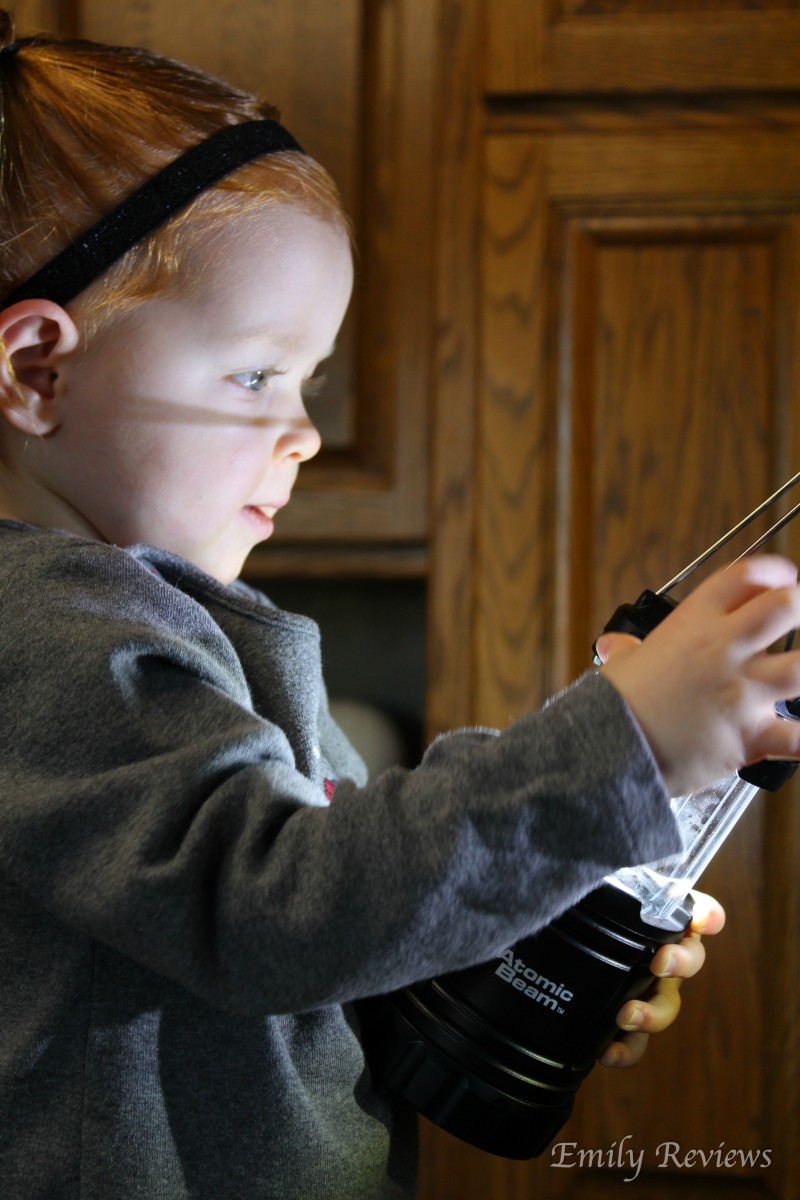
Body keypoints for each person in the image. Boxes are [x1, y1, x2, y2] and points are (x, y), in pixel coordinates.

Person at [0, 16, 797, 1200]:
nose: (308, 431)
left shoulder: (161, 631)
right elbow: (272, 905)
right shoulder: (52, 640)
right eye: (258, 373)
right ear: (37, 371)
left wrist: (490, 957)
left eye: (309, 381)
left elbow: (292, 950)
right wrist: (613, 751)